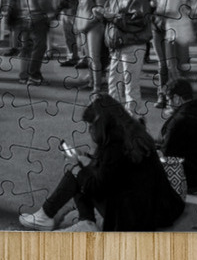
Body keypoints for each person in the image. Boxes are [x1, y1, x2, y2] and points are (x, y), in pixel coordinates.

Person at [19, 95, 185, 231]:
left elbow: (97, 186)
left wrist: (78, 169)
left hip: (134, 218)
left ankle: (62, 217)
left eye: (91, 126)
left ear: (100, 123)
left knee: (77, 173)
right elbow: (116, 172)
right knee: (81, 168)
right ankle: (61, 217)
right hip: (158, 208)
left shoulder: (113, 145)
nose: (90, 130)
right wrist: (88, 161)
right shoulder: (134, 132)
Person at [93, 0, 152, 116]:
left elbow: (139, 20)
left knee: (130, 86)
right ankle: (117, 119)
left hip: (132, 44)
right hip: (118, 45)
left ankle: (134, 121)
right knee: (113, 84)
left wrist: (112, 16)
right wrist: (101, 14)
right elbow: (109, 13)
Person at [157, 78, 197, 192]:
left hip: (193, 178)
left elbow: (166, 155)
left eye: (168, 100)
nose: (167, 105)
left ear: (176, 99)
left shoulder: (177, 122)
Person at [151, 0, 197, 108]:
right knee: (181, 68)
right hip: (183, 31)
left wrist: (156, 9)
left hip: (174, 32)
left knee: (174, 69)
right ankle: (184, 98)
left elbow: (169, 11)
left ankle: (178, 100)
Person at [8, 0, 54, 85]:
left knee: (25, 47)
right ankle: (34, 75)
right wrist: (50, 13)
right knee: (39, 47)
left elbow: (14, 2)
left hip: (22, 18)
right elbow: (42, 1)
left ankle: (23, 75)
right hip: (37, 17)